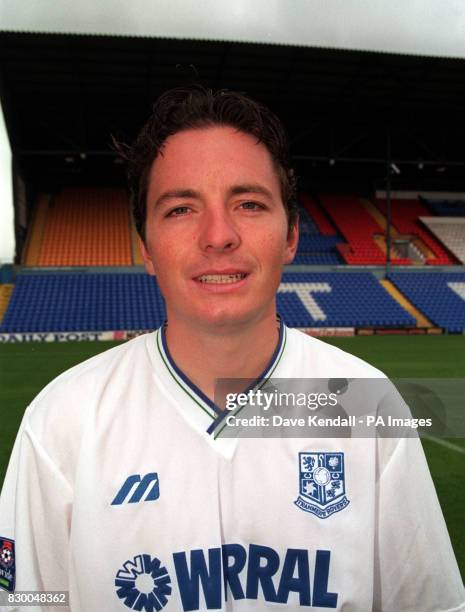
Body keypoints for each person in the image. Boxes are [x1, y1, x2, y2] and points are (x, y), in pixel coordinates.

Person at [0, 85, 464, 612]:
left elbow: (427, 604)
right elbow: (30, 600)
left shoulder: (367, 404)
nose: (218, 235)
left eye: (248, 203)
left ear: (290, 234)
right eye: (180, 209)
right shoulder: (62, 420)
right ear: (146, 246)